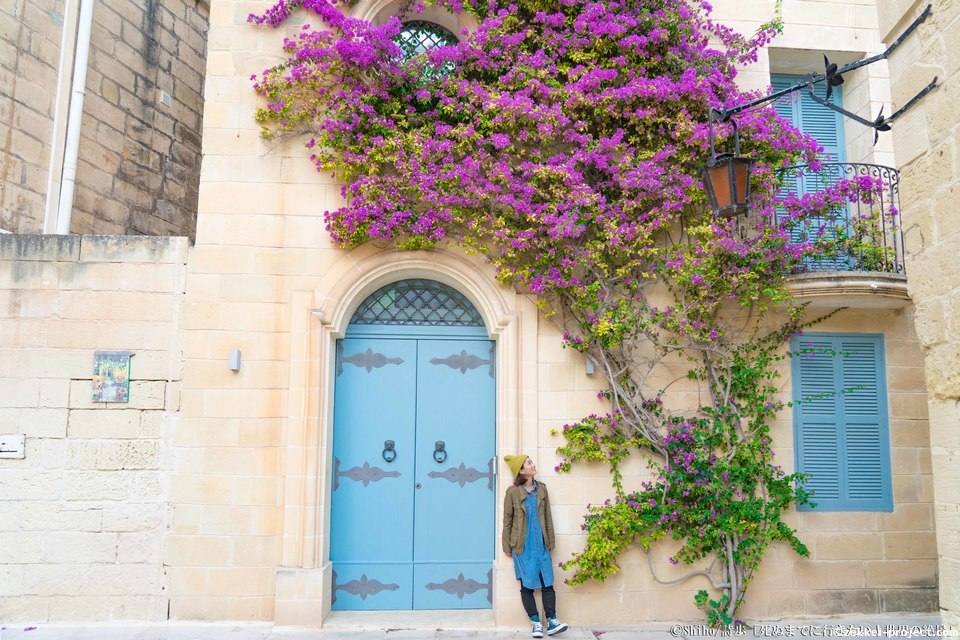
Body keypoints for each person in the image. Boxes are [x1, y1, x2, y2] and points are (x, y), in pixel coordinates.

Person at [502, 454, 569, 638]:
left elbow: (547, 516)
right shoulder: (513, 492)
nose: (533, 464)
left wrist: (551, 541)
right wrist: (507, 545)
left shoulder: (542, 490)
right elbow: (507, 520)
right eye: (529, 463)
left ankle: (553, 621)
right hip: (522, 547)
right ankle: (536, 623)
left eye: (531, 462)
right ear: (522, 470)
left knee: (548, 583)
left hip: (541, 545)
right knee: (527, 586)